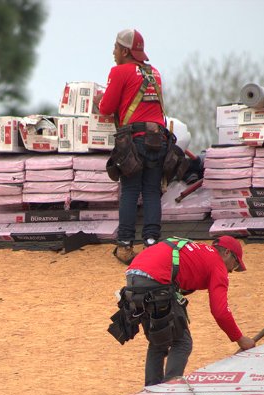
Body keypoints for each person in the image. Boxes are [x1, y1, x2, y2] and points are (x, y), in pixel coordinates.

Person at [112, 236, 255, 387]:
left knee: (158, 340)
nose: (232, 270)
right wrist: (240, 339)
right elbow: (220, 311)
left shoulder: (199, 251)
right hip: (157, 280)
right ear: (227, 252)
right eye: (235, 264)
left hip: (133, 278)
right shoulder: (217, 264)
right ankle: (170, 389)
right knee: (181, 342)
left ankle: (151, 392)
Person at [97, 28, 169, 264]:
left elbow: (107, 108)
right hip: (158, 139)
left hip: (134, 140)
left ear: (125, 51)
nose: (113, 52)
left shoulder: (119, 71)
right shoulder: (153, 72)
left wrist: (99, 100)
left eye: (116, 48)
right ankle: (152, 244)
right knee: (151, 191)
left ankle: (126, 246)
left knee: (129, 190)